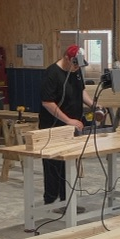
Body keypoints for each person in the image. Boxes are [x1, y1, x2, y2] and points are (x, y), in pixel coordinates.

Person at [38, 44, 101, 205]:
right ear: (66, 58)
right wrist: (68, 120)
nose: (76, 67)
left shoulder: (76, 69)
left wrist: (93, 105)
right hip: (53, 128)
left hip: (72, 128)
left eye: (79, 65)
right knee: (53, 166)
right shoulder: (52, 73)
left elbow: (81, 91)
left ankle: (67, 201)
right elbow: (47, 103)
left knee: (69, 164)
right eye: (74, 64)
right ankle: (51, 202)